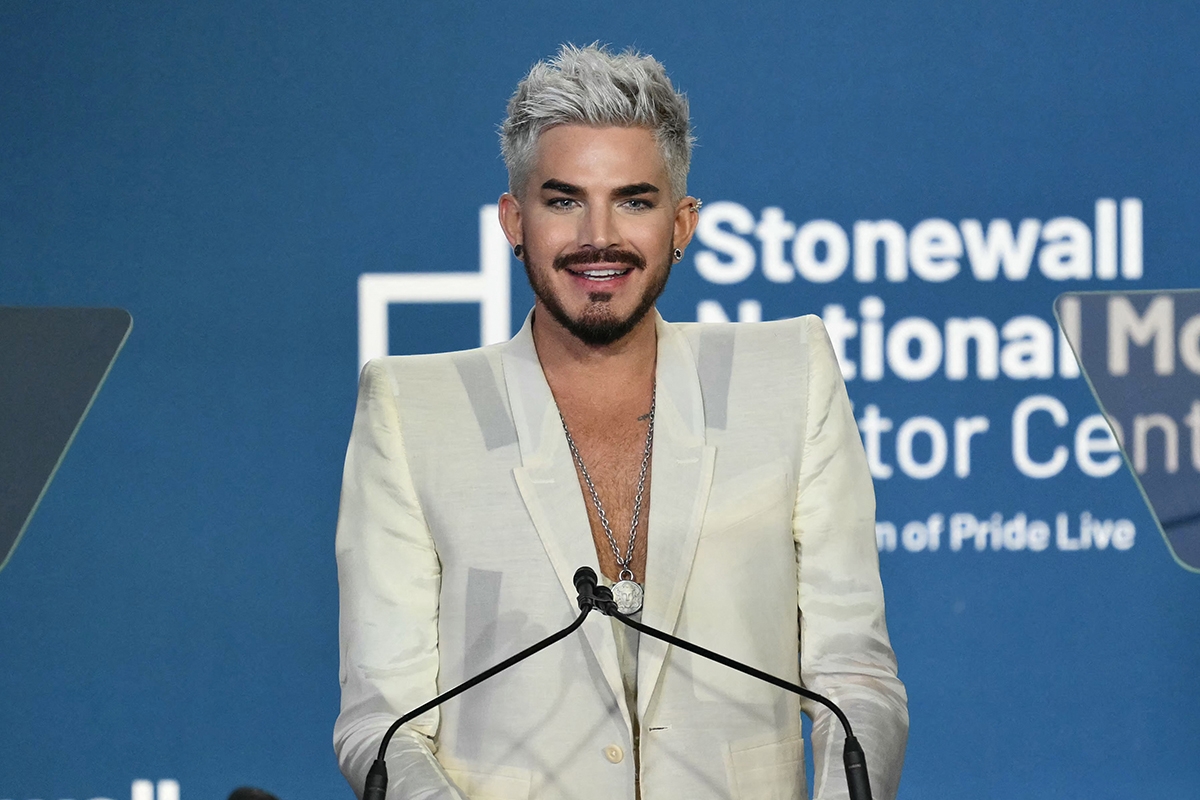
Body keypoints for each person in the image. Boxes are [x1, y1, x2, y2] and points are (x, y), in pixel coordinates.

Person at [334, 43, 908, 800]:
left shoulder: (789, 375)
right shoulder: (414, 410)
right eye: (563, 200)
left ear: (682, 223)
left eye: (634, 200)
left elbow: (853, 673)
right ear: (514, 220)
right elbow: (385, 721)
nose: (597, 237)